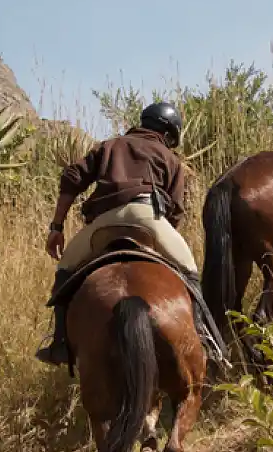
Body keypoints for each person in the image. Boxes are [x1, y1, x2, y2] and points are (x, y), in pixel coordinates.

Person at [36, 101, 226, 367]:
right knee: (191, 272)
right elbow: (175, 212)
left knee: (65, 270)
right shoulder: (171, 159)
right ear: (170, 133)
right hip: (148, 219)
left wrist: (56, 227)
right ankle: (206, 341)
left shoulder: (109, 146)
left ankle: (59, 344)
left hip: (104, 222)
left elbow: (71, 177)